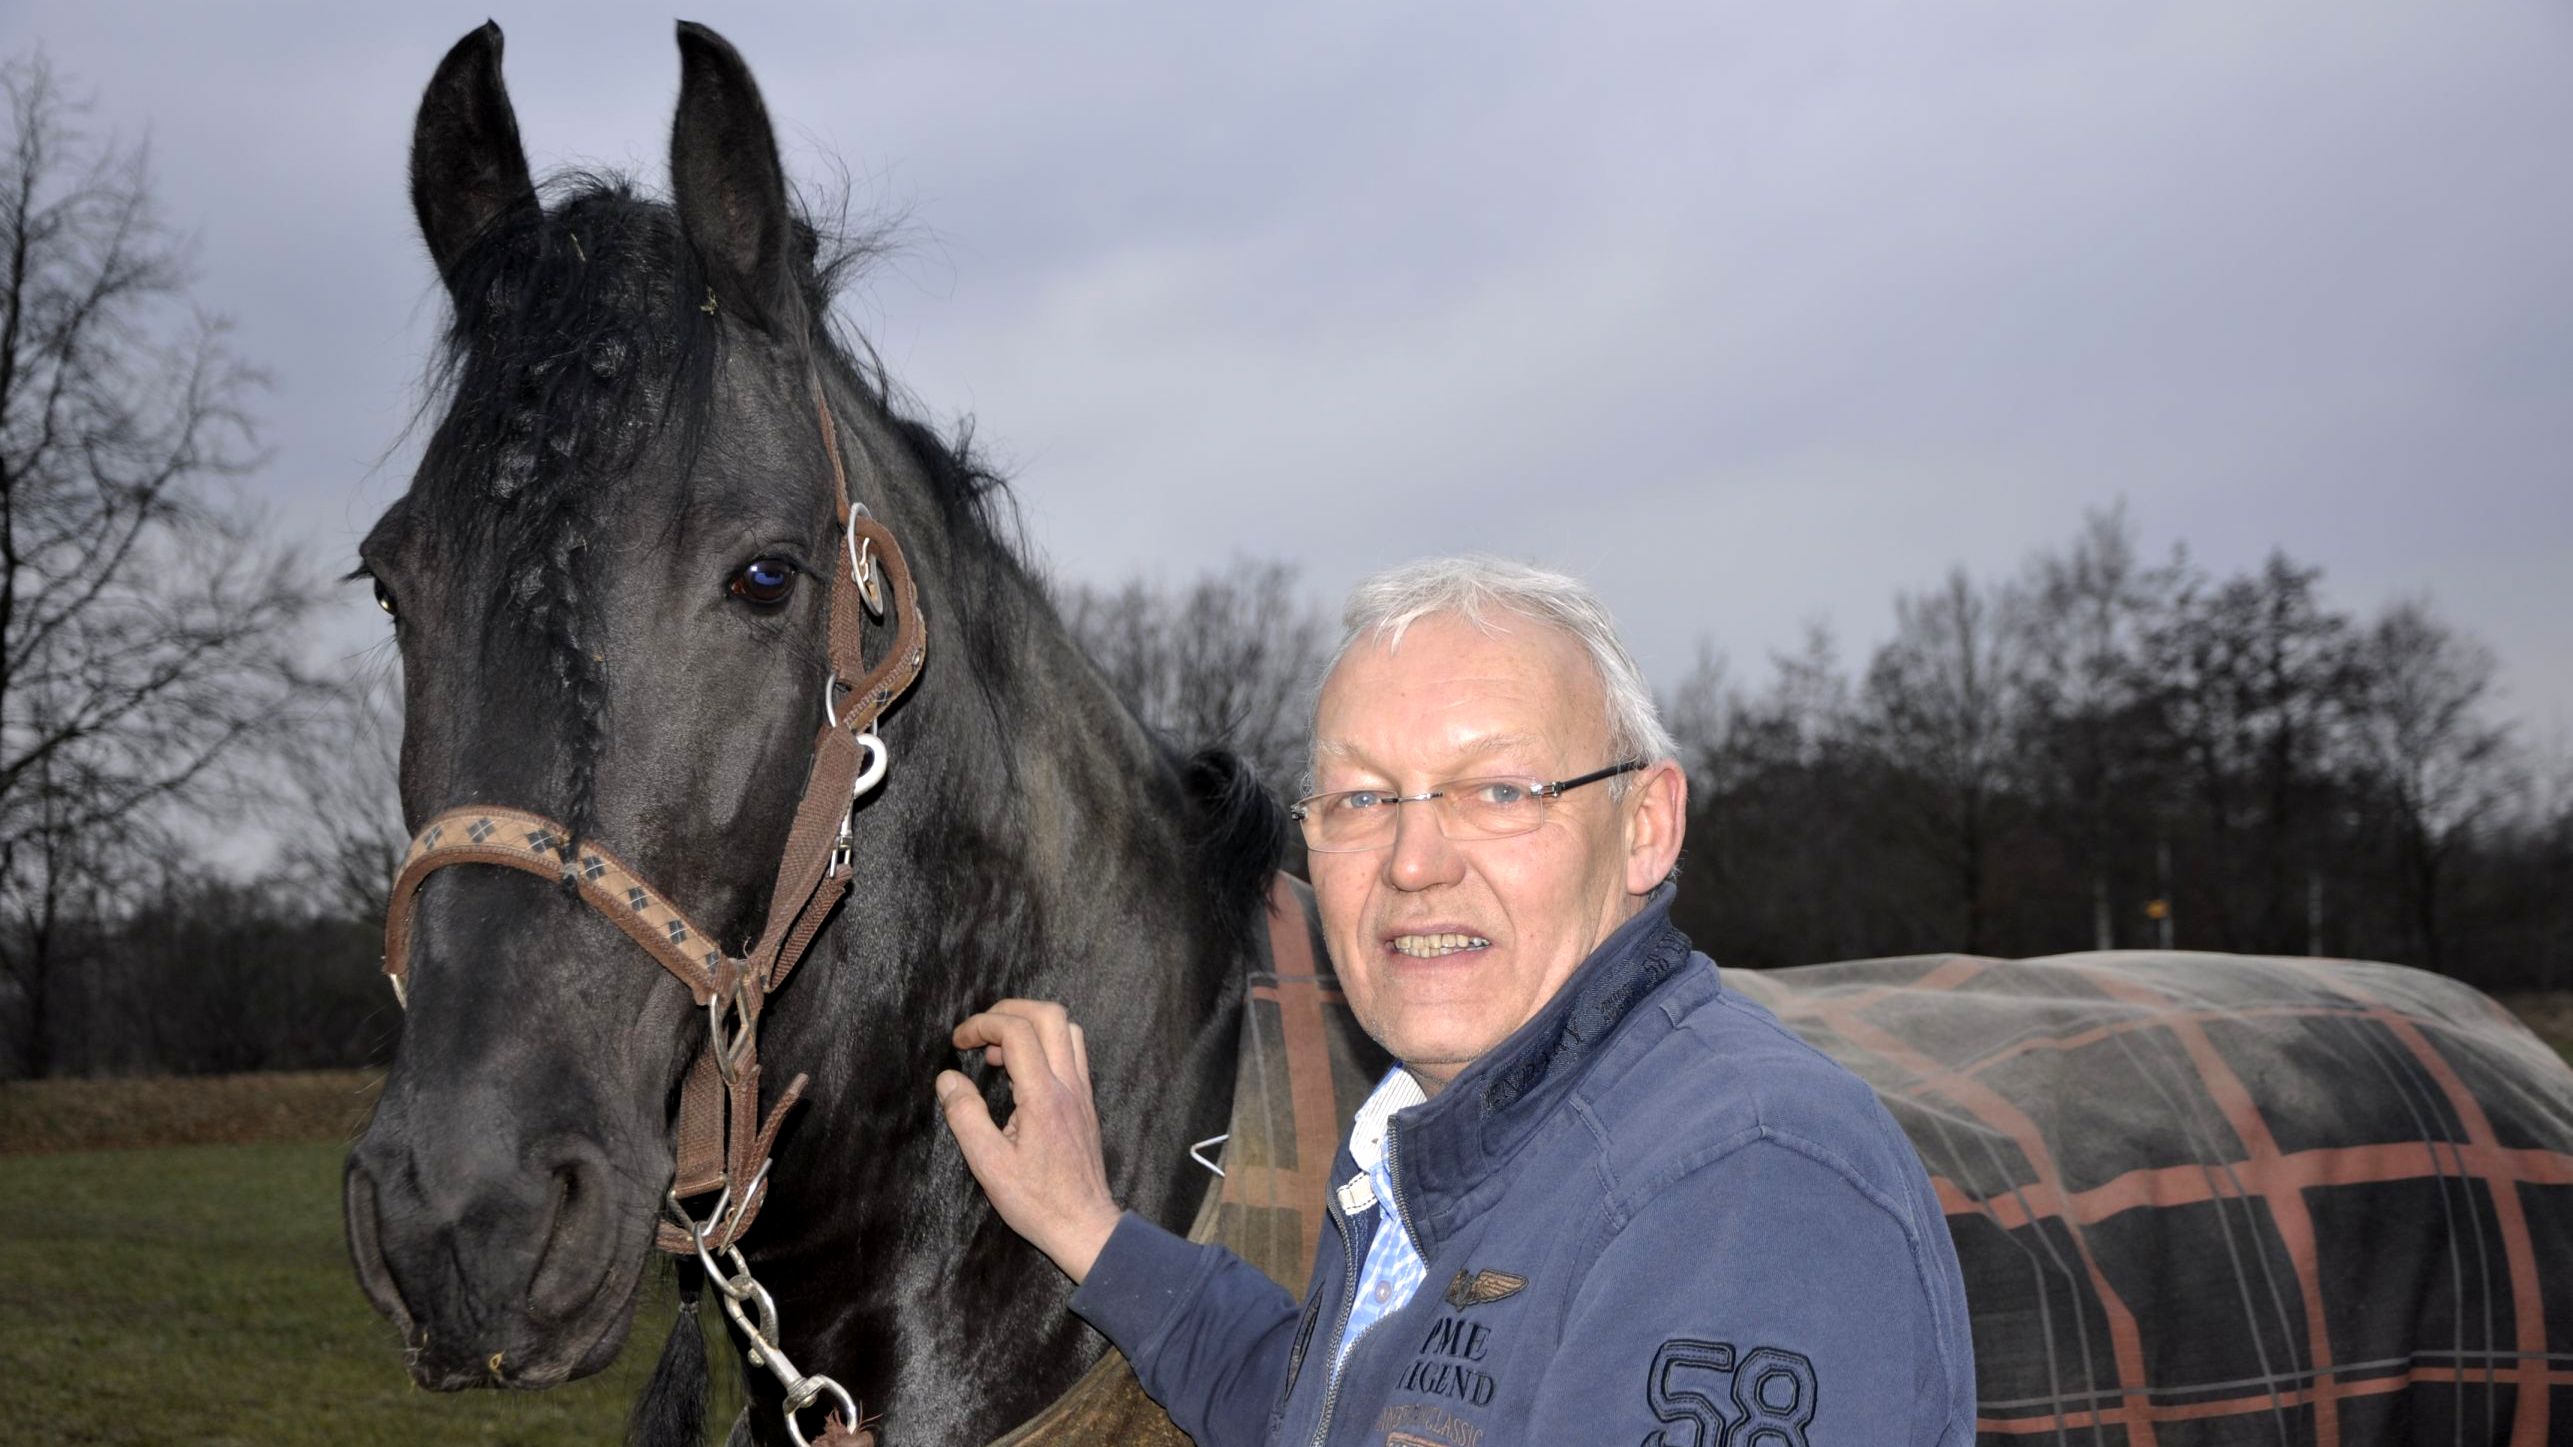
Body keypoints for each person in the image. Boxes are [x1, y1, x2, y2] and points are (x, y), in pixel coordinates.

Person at [933, 557, 1976, 1446]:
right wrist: (1086, 1226)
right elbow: (1318, 1411)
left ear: (1645, 825)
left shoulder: (1742, 1183)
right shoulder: (1445, 1142)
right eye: (1360, 798)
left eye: (1499, 791)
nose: (1412, 859)